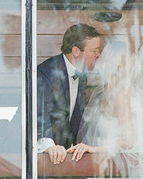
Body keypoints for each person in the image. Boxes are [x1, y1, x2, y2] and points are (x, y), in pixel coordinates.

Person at [68, 38, 143, 179]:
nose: (98, 59)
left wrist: (94, 149)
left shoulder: (121, 92)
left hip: (131, 169)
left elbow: (129, 140)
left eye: (102, 56)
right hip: (116, 167)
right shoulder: (110, 92)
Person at [37, 23, 103, 164]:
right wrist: (50, 146)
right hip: (18, 160)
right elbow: (39, 113)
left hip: (59, 159)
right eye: (95, 50)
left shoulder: (82, 77)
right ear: (76, 51)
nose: (98, 55)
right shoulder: (46, 72)